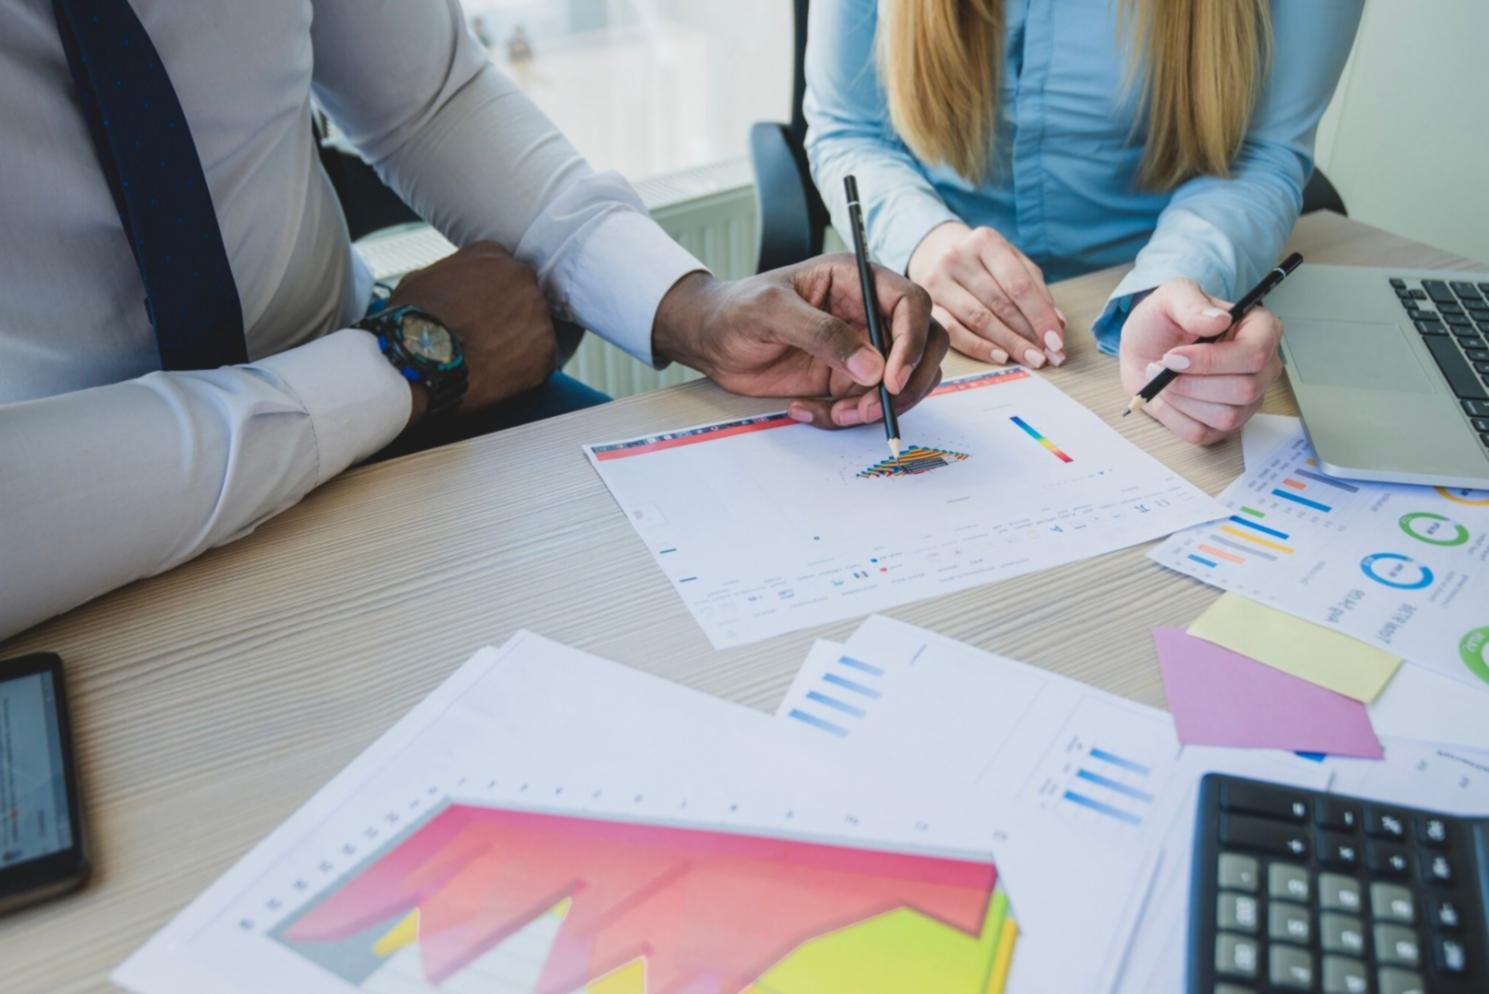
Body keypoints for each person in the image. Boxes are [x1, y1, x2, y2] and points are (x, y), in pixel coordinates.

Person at [0, 0, 946, 641]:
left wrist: (687, 306)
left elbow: (427, 98)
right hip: (89, 552)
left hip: (401, 409)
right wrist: (397, 369)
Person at [805, 0, 1363, 445]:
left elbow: (1261, 152)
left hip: (1148, 307)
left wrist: (1172, 284)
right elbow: (848, 129)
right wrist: (923, 239)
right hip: (939, 315)